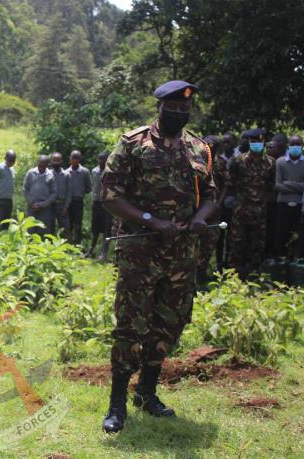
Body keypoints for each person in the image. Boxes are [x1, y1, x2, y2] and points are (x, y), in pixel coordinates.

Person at [100, 80, 216, 433]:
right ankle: (117, 404)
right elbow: (110, 195)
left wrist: (201, 218)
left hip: (182, 255)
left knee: (169, 322)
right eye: (173, 108)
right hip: (141, 253)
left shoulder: (198, 148)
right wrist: (151, 220)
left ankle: (147, 392)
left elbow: (211, 194)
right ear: (160, 108)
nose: (179, 113)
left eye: (185, 109)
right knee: (130, 325)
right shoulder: (133, 145)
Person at [227, 128, 275, 279]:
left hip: (260, 211)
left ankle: (253, 274)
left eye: (259, 141)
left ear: (264, 142)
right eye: (253, 141)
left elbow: (271, 185)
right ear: (248, 142)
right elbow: (231, 183)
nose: (256, 144)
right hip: (241, 210)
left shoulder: (270, 162)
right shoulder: (238, 161)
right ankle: (234, 275)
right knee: (237, 242)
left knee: (257, 243)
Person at [274, 134, 304, 258]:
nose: (295, 147)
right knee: (281, 234)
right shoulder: (280, 162)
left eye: (298, 144)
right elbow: (277, 186)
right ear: (288, 145)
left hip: (301, 204)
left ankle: (298, 260)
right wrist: (298, 187)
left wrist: (288, 183)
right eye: (292, 144)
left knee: (300, 235)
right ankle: (280, 259)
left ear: (302, 146)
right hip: (282, 203)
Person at [197, 135, 227, 284]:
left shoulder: (221, 163)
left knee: (209, 241)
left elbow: (225, 186)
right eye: (208, 144)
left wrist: (218, 204)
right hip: (197, 209)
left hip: (214, 211)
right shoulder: (196, 160)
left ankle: (202, 271)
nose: (210, 147)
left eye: (214, 145)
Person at [216, 133, 239, 268]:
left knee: (232, 234)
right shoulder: (218, 160)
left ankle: (229, 262)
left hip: (235, 202)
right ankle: (219, 262)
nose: (226, 145)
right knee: (219, 234)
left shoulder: (239, 159)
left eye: (228, 142)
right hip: (219, 202)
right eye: (223, 142)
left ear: (233, 143)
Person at [23, 155, 57, 236]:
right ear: (38, 163)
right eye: (40, 165)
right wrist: (31, 203)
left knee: (43, 232)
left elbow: (54, 193)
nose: (41, 168)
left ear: (47, 165)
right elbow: (25, 189)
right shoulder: (31, 173)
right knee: (30, 231)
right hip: (32, 208)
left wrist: (42, 205)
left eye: (43, 166)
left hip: (45, 209)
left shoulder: (51, 175)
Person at [66, 150, 92, 244]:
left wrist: (80, 192)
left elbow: (89, 188)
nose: (75, 160)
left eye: (77, 158)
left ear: (80, 159)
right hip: (68, 202)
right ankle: (68, 244)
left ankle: (77, 245)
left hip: (78, 201)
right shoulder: (66, 172)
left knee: (78, 224)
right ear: (70, 159)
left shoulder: (85, 172)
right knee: (68, 224)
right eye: (73, 158)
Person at [88, 152, 112, 260]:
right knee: (95, 228)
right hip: (96, 202)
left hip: (107, 204)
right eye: (100, 159)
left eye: (104, 159)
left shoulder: (110, 171)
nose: (102, 161)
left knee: (107, 228)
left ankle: (103, 252)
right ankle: (91, 249)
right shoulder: (94, 171)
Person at [49, 152, 71, 238]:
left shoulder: (66, 175)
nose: (56, 162)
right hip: (50, 205)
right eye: (54, 160)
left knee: (65, 228)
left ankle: (66, 244)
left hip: (62, 205)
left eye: (58, 160)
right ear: (51, 161)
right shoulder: (48, 174)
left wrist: (66, 206)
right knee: (50, 227)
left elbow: (69, 192)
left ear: (61, 161)